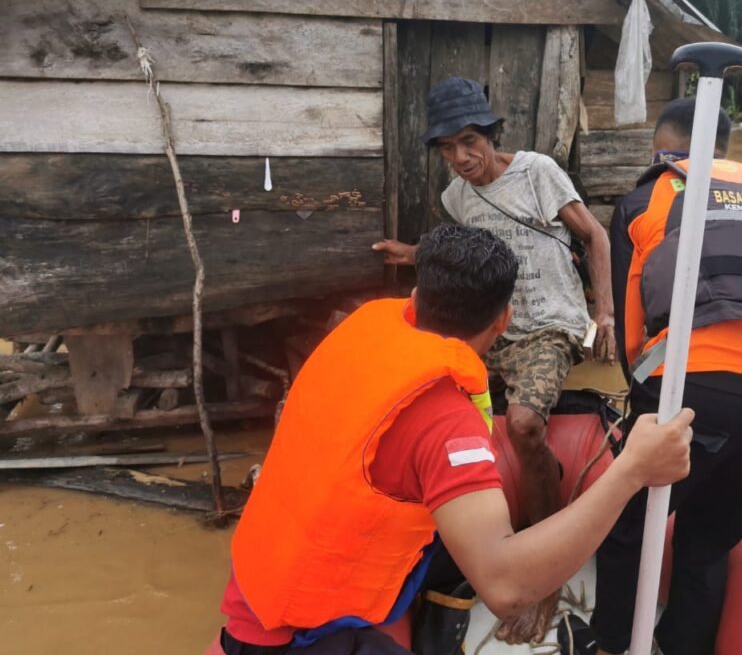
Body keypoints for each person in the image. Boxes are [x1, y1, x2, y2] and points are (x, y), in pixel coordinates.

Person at [214, 223, 695, 655]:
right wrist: (631, 470)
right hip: (301, 631)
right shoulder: (443, 420)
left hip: (259, 581)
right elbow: (504, 587)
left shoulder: (367, 324)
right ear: (504, 319)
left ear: (417, 295)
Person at [373, 77, 617, 643]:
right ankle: (441, 542)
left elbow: (595, 237)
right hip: (493, 329)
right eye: (447, 148)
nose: (461, 158)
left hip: (550, 324)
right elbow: (463, 255)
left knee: (525, 424)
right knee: (425, 410)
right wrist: (412, 254)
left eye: (469, 142)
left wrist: (604, 315)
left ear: (489, 134)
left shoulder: (537, 172)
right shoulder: (457, 198)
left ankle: (543, 572)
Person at [589, 98, 742, 655]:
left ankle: (610, 645)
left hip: (694, 389)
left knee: (624, 527)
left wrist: (641, 411)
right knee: (707, 544)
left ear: (661, 150)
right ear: (723, 152)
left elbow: (631, 334)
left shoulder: (644, 199)